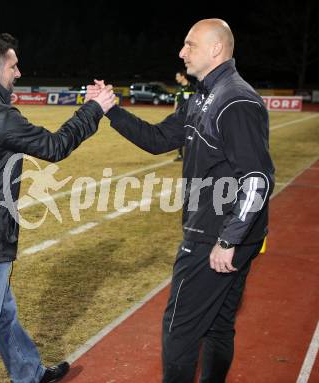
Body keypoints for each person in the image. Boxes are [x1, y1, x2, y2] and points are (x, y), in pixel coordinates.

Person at [87, 19, 275, 383]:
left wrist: (228, 239)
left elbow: (257, 180)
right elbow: (159, 139)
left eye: (189, 45)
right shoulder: (201, 97)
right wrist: (112, 110)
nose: (181, 52)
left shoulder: (235, 100)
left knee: (179, 333)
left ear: (216, 49)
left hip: (215, 237)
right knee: (219, 326)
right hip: (223, 232)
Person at [0, 33, 115, 383]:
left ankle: (29, 373)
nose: (19, 72)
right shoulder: (0, 117)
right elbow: (56, 146)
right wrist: (94, 108)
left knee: (0, 311)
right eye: (14, 66)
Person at [173, 70, 195, 161]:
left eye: (177, 76)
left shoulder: (192, 88)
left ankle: (192, 155)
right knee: (179, 134)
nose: (176, 78)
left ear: (183, 76)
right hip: (179, 116)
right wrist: (174, 113)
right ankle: (180, 155)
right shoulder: (178, 89)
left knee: (191, 135)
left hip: (190, 115)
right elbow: (176, 101)